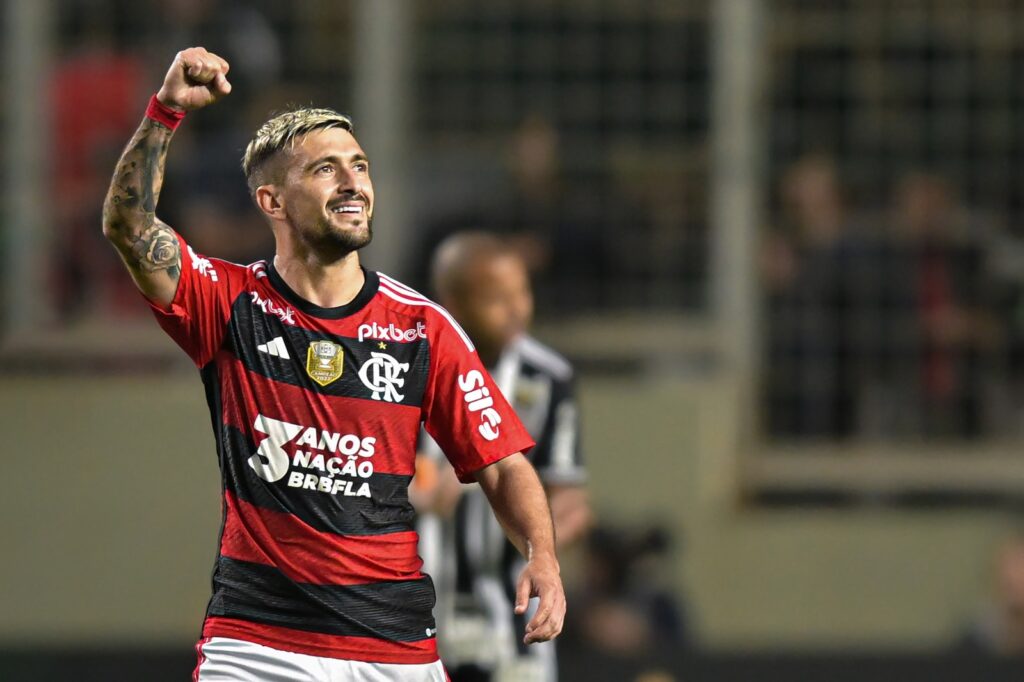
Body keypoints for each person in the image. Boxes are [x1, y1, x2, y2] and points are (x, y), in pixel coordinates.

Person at [101, 47, 565, 681]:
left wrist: (542, 555)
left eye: (360, 166)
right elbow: (129, 226)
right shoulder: (228, 301)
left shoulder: (421, 328)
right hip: (257, 645)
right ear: (272, 201)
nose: (353, 183)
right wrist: (167, 110)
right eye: (325, 169)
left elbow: (504, 464)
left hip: (392, 647)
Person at [412, 233, 591, 681]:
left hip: (510, 612)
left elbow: (567, 496)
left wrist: (548, 537)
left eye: (522, 293)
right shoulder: (408, 366)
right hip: (416, 608)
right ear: (452, 303)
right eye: (497, 298)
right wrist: (422, 492)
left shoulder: (548, 378)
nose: (517, 310)